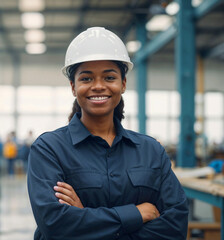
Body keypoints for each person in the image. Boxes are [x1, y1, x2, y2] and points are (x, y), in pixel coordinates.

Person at [27, 27, 188, 240]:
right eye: (86, 79)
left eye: (109, 77)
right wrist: (136, 214)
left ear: (122, 84)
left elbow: (175, 226)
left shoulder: (150, 150)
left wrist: (85, 217)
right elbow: (55, 225)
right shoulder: (49, 149)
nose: (98, 86)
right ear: (73, 87)